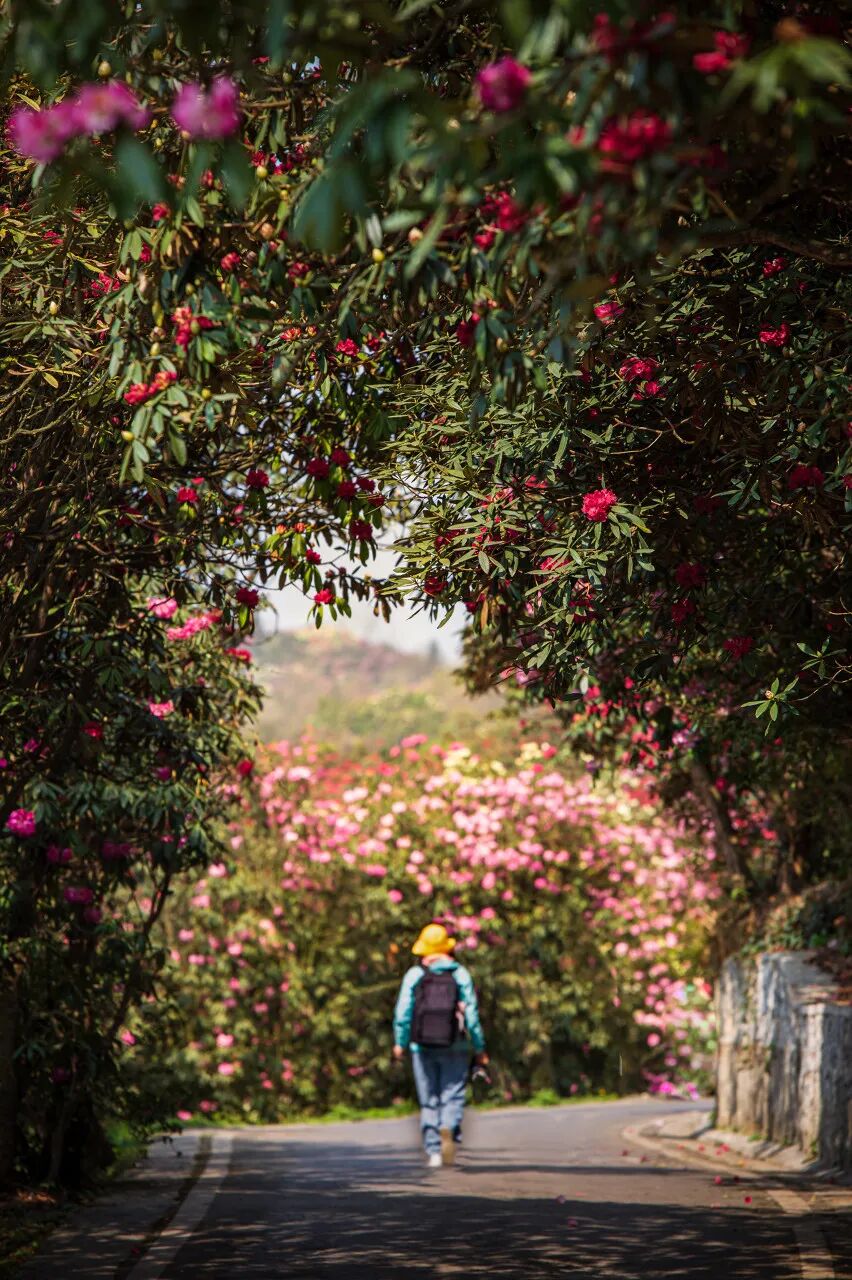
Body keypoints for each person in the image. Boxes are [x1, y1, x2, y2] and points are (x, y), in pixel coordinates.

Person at [392, 922, 489, 1168]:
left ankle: (434, 1151)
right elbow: (472, 1016)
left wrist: (400, 1043)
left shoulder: (415, 975)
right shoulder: (459, 974)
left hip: (421, 1047)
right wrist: (479, 1048)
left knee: (428, 1099)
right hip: (455, 1045)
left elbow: (403, 1013)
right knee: (453, 1093)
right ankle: (448, 1125)